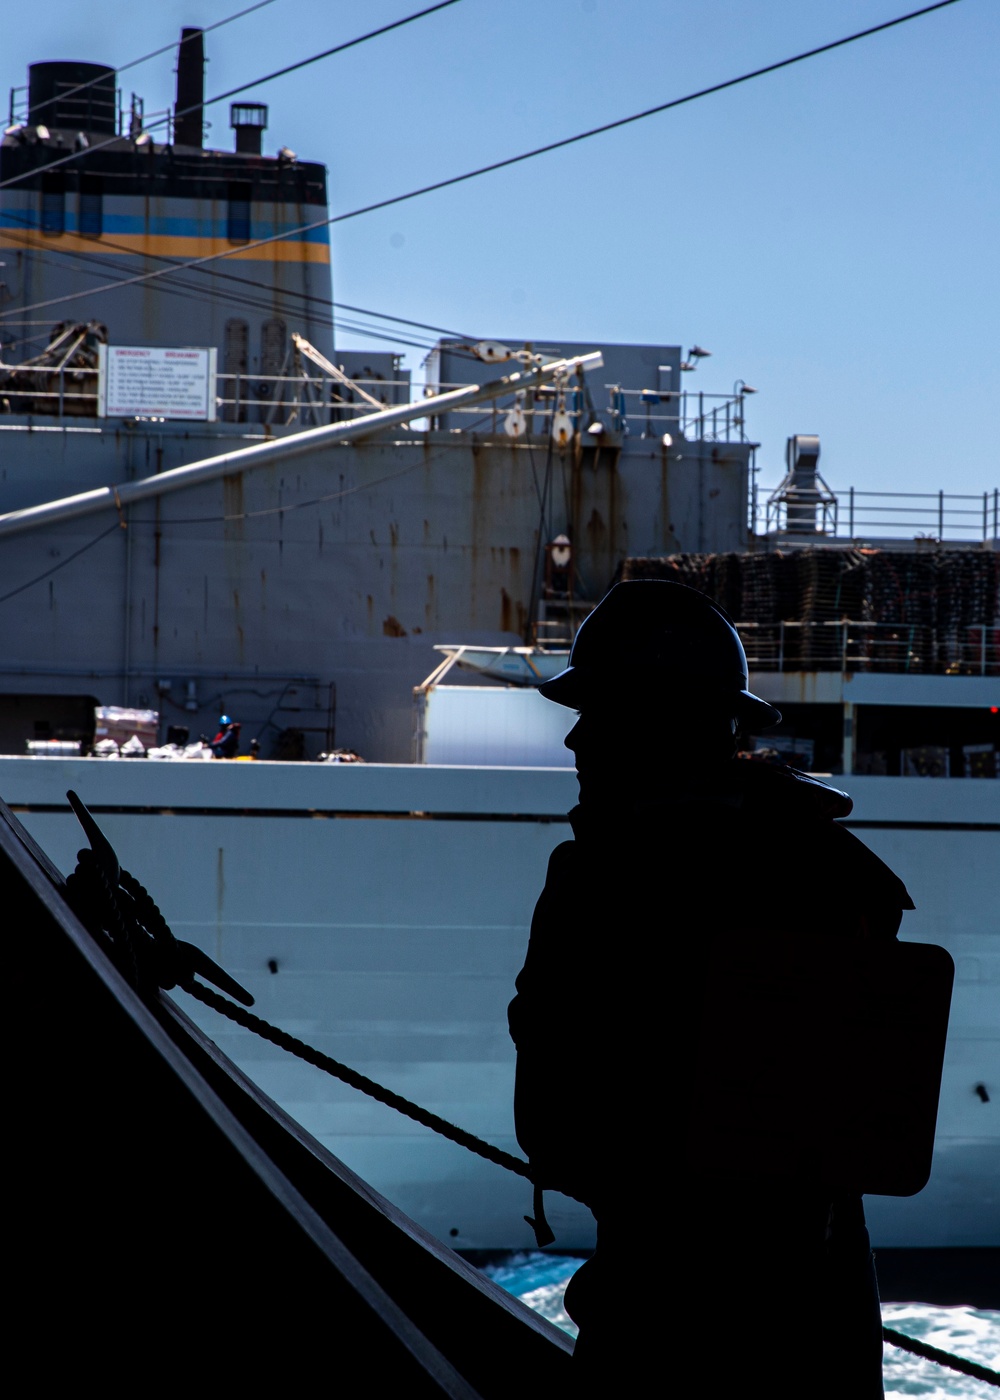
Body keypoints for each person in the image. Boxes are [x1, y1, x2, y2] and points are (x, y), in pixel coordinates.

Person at [508, 580, 914, 1397]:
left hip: (662, 1322)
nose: (576, 742)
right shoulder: (836, 874)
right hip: (817, 1325)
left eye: (600, 715)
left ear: (651, 730)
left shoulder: (600, 885)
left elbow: (560, 1126)